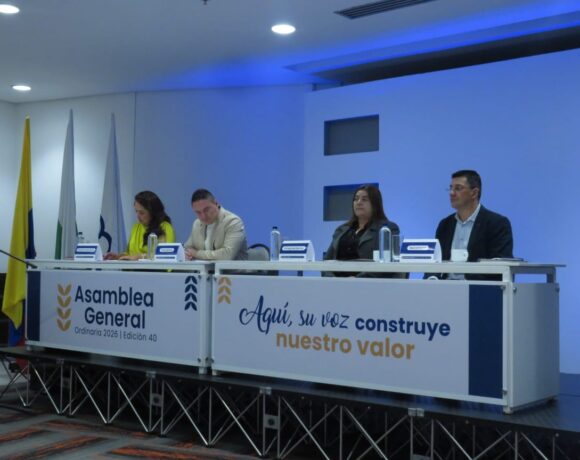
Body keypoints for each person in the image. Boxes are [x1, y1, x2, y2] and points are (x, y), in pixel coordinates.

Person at [434, 169, 513, 279]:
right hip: (445, 287)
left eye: (458, 188)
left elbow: (500, 270)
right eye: (451, 188)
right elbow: (434, 263)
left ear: (474, 193)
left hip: (478, 288)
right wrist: (431, 279)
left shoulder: (497, 224)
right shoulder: (445, 225)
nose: (451, 193)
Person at [324, 184, 400, 277]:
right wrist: (331, 279)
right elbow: (326, 261)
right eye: (356, 199)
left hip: (366, 283)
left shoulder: (387, 229)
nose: (358, 202)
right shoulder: (342, 229)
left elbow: (387, 266)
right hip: (335, 282)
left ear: (375, 204)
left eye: (364, 199)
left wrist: (356, 280)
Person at [104, 190, 175, 260]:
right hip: (133, 267)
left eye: (141, 213)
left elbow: (165, 255)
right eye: (136, 211)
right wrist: (118, 257)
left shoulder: (165, 227)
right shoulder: (136, 227)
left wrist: (139, 257)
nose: (137, 216)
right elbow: (130, 254)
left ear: (153, 213)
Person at [184, 189, 248, 260]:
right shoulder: (197, 223)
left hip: (232, 267)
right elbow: (187, 248)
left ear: (216, 203)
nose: (203, 216)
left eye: (206, 210)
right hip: (204, 267)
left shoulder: (233, 222)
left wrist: (196, 254)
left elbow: (227, 255)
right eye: (198, 212)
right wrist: (186, 254)